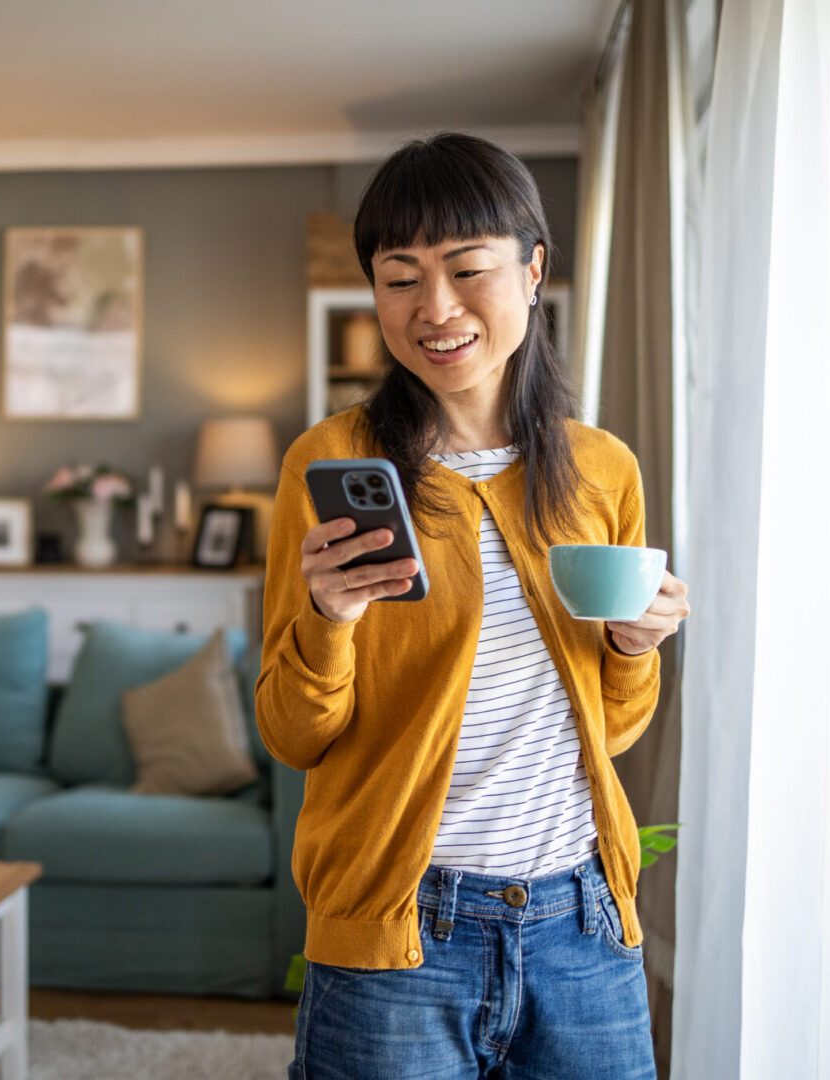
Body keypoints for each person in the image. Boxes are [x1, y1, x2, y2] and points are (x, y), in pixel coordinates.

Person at [257, 133, 691, 1079]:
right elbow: (292, 733)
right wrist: (328, 623)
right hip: (399, 927)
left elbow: (615, 728)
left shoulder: (600, 468)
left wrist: (633, 643)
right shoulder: (329, 464)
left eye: (466, 268)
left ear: (533, 270)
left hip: (582, 923)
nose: (435, 308)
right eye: (400, 277)